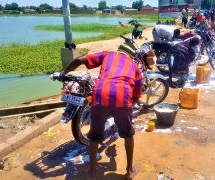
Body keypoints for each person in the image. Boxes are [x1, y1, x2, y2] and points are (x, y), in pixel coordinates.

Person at [53, 46, 154, 180]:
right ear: (131, 55)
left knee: (94, 137)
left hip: (100, 95)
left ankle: (92, 174)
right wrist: (125, 109)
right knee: (128, 134)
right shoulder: (135, 68)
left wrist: (63, 71)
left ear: (119, 51)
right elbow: (136, 96)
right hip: (122, 97)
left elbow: (80, 59)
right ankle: (129, 171)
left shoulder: (108, 54)